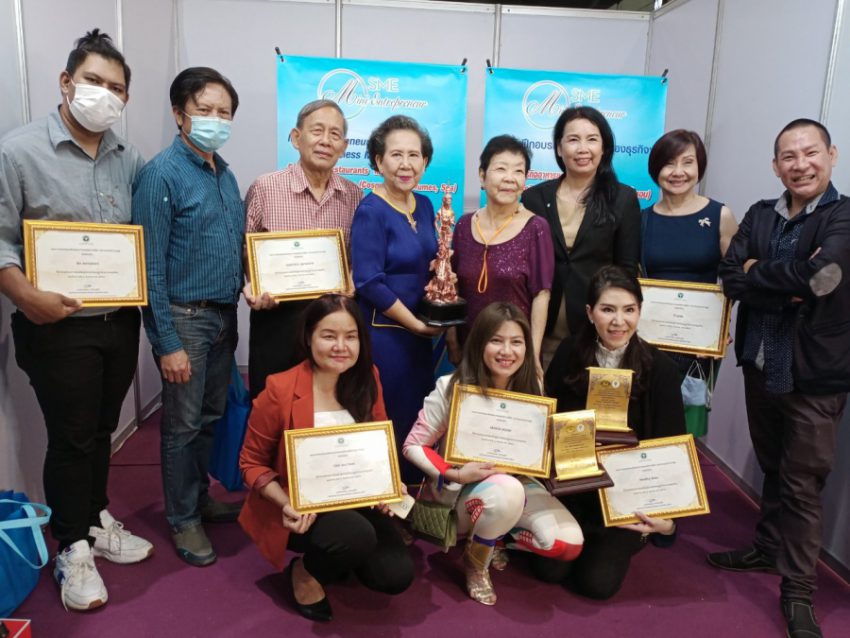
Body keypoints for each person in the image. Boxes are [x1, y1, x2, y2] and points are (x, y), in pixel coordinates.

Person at [0, 29, 152, 611]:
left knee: (101, 428)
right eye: (93, 81)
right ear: (66, 82)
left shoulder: (128, 158)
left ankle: (92, 518)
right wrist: (27, 296)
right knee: (71, 435)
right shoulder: (17, 152)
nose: (104, 94)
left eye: (116, 87)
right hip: (55, 324)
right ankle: (71, 546)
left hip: (118, 320)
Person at [710, 119, 850, 638]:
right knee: (772, 465)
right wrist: (777, 281)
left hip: (814, 375)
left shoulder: (844, 215)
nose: (800, 164)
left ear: (831, 155)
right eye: (788, 156)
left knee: (802, 484)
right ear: (775, 165)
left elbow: (822, 279)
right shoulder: (760, 214)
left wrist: (758, 272)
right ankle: (767, 549)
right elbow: (730, 277)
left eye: (810, 153)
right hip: (761, 362)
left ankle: (798, 592)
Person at [239, 294, 414, 622]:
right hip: (303, 506)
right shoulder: (280, 389)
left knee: (395, 575)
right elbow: (251, 463)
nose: (341, 347)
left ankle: (344, 554)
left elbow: (379, 442)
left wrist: (390, 483)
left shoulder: (368, 377)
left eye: (351, 337)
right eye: (329, 336)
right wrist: (287, 502)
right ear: (309, 337)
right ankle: (305, 571)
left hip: (357, 497)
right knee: (355, 536)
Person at [132, 67, 244, 567]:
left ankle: (198, 499)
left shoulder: (225, 174)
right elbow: (149, 267)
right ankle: (182, 519)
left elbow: (233, 246)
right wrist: (167, 342)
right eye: (205, 110)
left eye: (224, 112)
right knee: (181, 425)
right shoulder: (161, 174)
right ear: (180, 115)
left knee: (209, 418)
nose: (215, 119)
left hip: (224, 317)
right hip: (185, 320)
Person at [404, 302, 583, 606]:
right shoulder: (451, 387)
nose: (507, 351)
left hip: (518, 487)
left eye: (516, 342)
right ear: (479, 343)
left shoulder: (533, 388)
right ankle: (476, 563)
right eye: (496, 341)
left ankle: (496, 535)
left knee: (567, 544)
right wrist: (454, 473)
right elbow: (413, 445)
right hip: (463, 492)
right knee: (507, 491)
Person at [531, 265, 685, 599]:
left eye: (629, 310)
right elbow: (548, 423)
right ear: (590, 313)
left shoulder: (661, 369)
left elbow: (671, 449)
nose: (619, 321)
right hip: (572, 487)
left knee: (597, 584)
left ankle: (616, 541)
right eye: (607, 309)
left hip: (623, 497)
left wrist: (668, 521)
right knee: (549, 570)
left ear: (640, 312)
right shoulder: (569, 353)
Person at [244, 99, 362, 398]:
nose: (325, 141)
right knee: (273, 406)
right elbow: (245, 251)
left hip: (333, 325)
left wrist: (352, 277)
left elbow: (357, 258)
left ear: (344, 146)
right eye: (317, 131)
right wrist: (253, 285)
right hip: (277, 320)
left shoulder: (354, 196)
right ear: (297, 138)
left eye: (335, 134)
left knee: (329, 409)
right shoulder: (265, 188)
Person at [350, 115, 441, 483]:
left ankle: (415, 493)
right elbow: (368, 282)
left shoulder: (426, 205)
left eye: (414, 155)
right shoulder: (370, 211)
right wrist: (415, 324)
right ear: (378, 161)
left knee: (419, 417)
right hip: (385, 336)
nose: (406, 164)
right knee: (388, 416)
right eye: (396, 155)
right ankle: (385, 496)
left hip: (422, 335)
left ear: (425, 161)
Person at [522, 106, 641, 371]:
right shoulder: (533, 198)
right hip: (541, 330)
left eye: (592, 139)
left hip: (595, 333)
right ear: (558, 148)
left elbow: (626, 270)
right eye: (573, 139)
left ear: (604, 148)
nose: (583, 148)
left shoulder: (622, 199)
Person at [641, 129, 739, 434]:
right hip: (651, 340)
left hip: (700, 342)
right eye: (669, 163)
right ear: (656, 168)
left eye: (687, 162)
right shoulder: (642, 219)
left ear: (700, 167)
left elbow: (736, 278)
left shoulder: (720, 215)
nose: (678, 172)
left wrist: (719, 328)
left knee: (686, 427)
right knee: (646, 421)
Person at [447, 135, 554, 375]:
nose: (510, 178)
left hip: (513, 356)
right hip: (469, 349)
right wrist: (451, 338)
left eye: (518, 171)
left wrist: (533, 355)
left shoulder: (536, 228)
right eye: (501, 169)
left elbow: (542, 295)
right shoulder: (464, 225)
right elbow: (452, 288)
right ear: (482, 175)